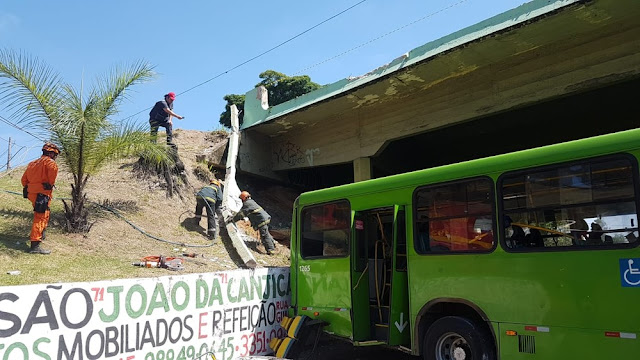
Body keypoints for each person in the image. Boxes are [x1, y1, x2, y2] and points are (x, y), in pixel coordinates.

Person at [21, 142, 60, 254]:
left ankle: (40, 235)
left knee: (44, 214)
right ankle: (35, 245)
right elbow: (51, 180)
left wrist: (31, 187)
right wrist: (48, 184)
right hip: (42, 194)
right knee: (40, 217)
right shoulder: (50, 163)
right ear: (52, 154)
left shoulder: (32, 163)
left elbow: (24, 180)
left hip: (32, 193)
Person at [232, 191, 276, 255]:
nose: (241, 200)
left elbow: (241, 214)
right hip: (264, 218)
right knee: (266, 233)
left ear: (243, 198)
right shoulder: (251, 201)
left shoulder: (247, 203)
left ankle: (271, 250)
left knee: (264, 235)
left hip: (262, 220)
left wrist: (233, 219)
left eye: (241, 199)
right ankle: (273, 246)